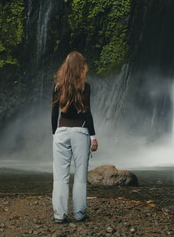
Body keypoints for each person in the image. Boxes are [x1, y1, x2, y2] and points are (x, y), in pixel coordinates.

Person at [51, 51, 98, 223]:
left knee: (60, 176)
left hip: (61, 132)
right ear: (81, 68)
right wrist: (93, 137)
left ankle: (59, 215)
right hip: (80, 133)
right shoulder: (85, 87)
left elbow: (54, 114)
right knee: (80, 176)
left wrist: (54, 134)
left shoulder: (58, 87)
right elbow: (88, 114)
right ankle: (79, 214)